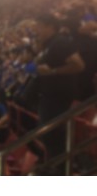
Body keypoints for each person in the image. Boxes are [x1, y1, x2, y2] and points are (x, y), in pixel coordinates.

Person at [34, 13, 85, 174]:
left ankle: (63, 171)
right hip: (50, 97)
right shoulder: (49, 44)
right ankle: (59, 169)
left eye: (39, 26)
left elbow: (79, 65)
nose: (37, 30)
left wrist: (53, 72)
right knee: (49, 137)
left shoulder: (60, 42)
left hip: (59, 99)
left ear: (50, 26)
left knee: (53, 137)